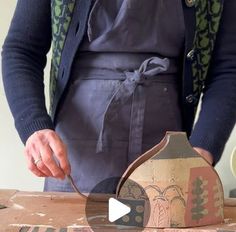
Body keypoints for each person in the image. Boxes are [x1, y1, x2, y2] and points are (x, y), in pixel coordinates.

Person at [2, 0, 236, 193]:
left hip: (166, 147)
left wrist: (204, 146)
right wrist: (34, 126)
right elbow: (21, 50)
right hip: (75, 150)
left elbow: (228, 68)